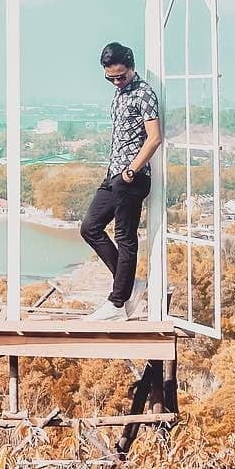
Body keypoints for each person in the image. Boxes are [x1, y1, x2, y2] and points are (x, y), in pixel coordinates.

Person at [80, 41, 162, 322]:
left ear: (132, 67)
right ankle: (130, 285)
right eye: (110, 78)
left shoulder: (144, 94)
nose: (116, 82)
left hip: (131, 178)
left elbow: (155, 138)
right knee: (90, 228)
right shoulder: (120, 93)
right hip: (114, 176)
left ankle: (117, 304)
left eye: (121, 76)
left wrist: (131, 171)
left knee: (125, 239)